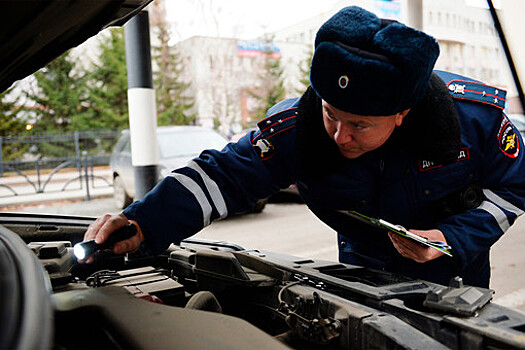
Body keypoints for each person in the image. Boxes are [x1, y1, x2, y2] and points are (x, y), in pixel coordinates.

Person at [83, 6, 525, 288]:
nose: (338, 135)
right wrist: (142, 223)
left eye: (359, 124)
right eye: (331, 113)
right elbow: (222, 177)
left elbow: (513, 191)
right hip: (361, 278)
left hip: (458, 280)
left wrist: (452, 238)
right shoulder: (300, 127)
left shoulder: (476, 122)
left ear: (402, 113)